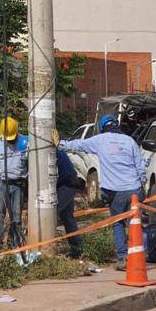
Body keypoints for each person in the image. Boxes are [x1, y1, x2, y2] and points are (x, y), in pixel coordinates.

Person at [60, 114, 146, 271]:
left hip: (116, 192)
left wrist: (59, 143)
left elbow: (78, 145)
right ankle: (140, 255)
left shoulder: (100, 140)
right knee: (135, 223)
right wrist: (142, 186)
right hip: (134, 189)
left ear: (103, 127)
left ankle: (123, 258)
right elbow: (140, 168)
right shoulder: (129, 141)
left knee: (118, 224)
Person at [0, 116, 28, 251]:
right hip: (1, 183)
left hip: (18, 184)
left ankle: (13, 243)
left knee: (16, 216)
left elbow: (31, 164)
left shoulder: (25, 143)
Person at [56, 145, 84, 259]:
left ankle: (46, 246)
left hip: (66, 185)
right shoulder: (57, 151)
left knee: (51, 213)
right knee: (67, 218)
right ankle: (76, 248)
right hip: (68, 184)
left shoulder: (51, 153)